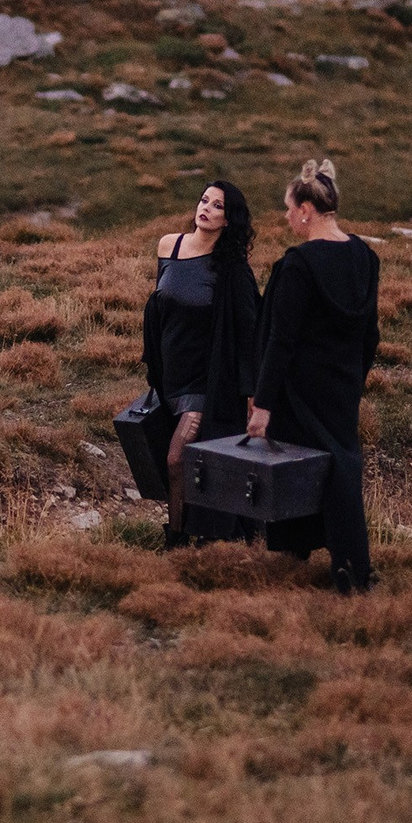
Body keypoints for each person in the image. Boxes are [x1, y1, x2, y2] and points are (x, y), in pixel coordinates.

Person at [248, 158, 380, 592]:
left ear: (307, 209)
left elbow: (280, 340)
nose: (286, 217)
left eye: (289, 208)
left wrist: (262, 402)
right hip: (341, 385)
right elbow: (370, 334)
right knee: (338, 464)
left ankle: (351, 572)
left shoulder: (298, 266)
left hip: (300, 389)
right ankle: (309, 553)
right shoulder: (365, 256)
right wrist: (354, 382)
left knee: (312, 466)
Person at [141, 181, 262, 549]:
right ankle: (203, 531)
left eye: (218, 206)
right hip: (170, 376)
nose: (206, 208)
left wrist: (253, 394)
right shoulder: (169, 245)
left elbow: (249, 331)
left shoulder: (231, 271)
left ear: (228, 221)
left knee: (178, 457)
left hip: (206, 381)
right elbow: (162, 306)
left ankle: (176, 540)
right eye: (204, 200)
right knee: (177, 460)